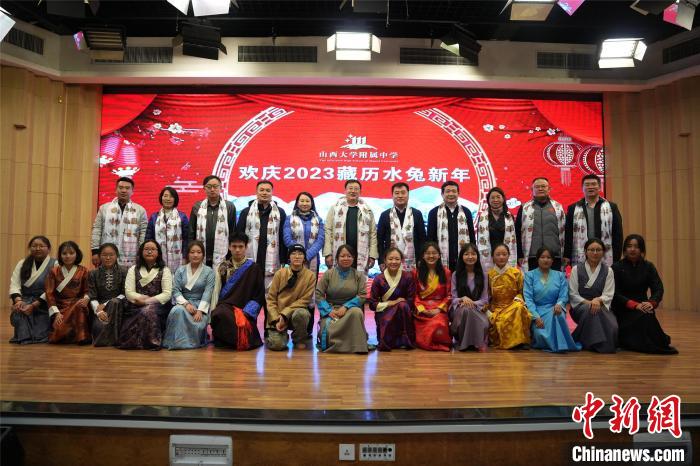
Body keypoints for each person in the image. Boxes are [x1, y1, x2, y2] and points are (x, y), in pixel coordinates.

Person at [612, 234, 677, 354]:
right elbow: (614, 293)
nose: (632, 249)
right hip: (623, 308)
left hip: (643, 305)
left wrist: (651, 303)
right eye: (629, 246)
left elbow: (658, 288)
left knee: (647, 313)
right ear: (624, 249)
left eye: (636, 247)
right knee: (644, 316)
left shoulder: (648, 266)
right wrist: (634, 305)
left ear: (641, 250)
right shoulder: (616, 267)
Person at [210, 232, 266, 351]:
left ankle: (232, 341)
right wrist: (212, 312)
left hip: (244, 310)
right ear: (229, 247)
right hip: (226, 308)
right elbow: (216, 292)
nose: (237, 250)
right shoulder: (222, 267)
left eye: (241, 247)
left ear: (246, 247)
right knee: (220, 313)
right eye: (234, 246)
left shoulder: (254, 268)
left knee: (239, 322)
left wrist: (247, 312)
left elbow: (259, 295)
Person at [524, 247, 580, 353]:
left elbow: (564, 295)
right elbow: (528, 299)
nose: (546, 260)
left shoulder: (560, 275)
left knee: (558, 314)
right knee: (540, 334)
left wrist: (559, 304)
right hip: (537, 311)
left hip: (554, 308)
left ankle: (562, 345)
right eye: (542, 257)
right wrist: (535, 317)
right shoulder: (529, 275)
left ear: (553, 260)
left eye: (549, 257)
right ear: (537, 259)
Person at [118, 240, 173, 350]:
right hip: (135, 304)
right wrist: (140, 299)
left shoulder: (164, 270)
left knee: (148, 310)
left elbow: (167, 294)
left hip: (158, 305)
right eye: (146, 249)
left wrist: (147, 301)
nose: (149, 251)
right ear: (141, 252)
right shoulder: (133, 269)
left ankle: (152, 342)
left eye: (153, 249)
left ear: (158, 253)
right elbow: (129, 292)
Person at [316, 244, 369, 353]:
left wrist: (346, 307)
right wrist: (329, 311)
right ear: (337, 258)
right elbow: (318, 294)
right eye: (342, 256)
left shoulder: (359, 276)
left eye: (349, 256)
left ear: (353, 258)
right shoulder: (328, 274)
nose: (346, 258)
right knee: (328, 329)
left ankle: (357, 347)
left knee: (357, 312)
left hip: (350, 310)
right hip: (332, 311)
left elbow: (362, 295)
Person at [163, 240, 215, 350]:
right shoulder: (180, 270)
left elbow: (208, 292)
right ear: (188, 254)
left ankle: (189, 342)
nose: (195, 255)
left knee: (197, 321)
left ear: (203, 255)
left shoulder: (209, 272)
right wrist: (186, 304)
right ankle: (175, 342)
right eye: (192, 252)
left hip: (200, 305)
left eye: (199, 252)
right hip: (184, 304)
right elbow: (175, 290)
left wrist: (200, 310)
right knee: (177, 310)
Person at [568, 238, 618, 353]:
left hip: (601, 305)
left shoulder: (608, 271)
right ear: (586, 251)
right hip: (580, 306)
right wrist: (590, 302)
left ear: (603, 252)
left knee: (613, 326)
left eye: (598, 250)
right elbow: (573, 294)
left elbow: (608, 294)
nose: (595, 253)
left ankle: (586, 341)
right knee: (591, 310)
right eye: (591, 250)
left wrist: (598, 300)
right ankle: (601, 346)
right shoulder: (576, 269)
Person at [236, 180, 287, 289]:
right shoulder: (246, 212)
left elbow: (282, 237)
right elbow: (239, 236)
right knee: (250, 288)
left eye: (268, 190)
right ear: (256, 192)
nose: (264, 193)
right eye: (262, 190)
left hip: (272, 256)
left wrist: (283, 259)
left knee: (270, 290)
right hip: (251, 255)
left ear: (272, 192)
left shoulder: (280, 213)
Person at [265, 244, 316, 351]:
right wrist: (276, 318)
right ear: (289, 257)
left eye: (300, 254)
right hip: (278, 316)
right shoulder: (279, 273)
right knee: (277, 345)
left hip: (296, 313)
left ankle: (298, 339)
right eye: (293, 253)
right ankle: (281, 335)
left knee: (302, 314)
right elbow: (271, 299)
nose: (297, 256)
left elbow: (305, 300)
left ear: (304, 257)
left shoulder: (310, 276)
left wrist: (285, 314)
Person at [565, 174, 623, 267]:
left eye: (593, 184)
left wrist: (616, 256)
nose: (590, 187)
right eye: (587, 185)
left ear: (599, 187)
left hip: (605, 253)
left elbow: (618, 233)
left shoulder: (611, 207)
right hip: (581, 253)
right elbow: (568, 234)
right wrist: (567, 255)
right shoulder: (573, 208)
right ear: (582, 188)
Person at [91, 176, 148, 268]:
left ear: (132, 191)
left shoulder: (140, 210)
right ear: (116, 190)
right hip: (106, 255)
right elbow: (97, 230)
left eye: (127, 188)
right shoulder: (104, 208)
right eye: (121, 187)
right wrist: (95, 251)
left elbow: (143, 234)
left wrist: (141, 253)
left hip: (131, 257)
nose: (124, 190)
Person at [9, 236, 56, 344]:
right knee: (19, 312)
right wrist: (18, 301)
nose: (37, 248)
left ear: (48, 248)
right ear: (30, 248)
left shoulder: (55, 264)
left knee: (40, 334)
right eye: (34, 246)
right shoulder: (22, 263)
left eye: (41, 246)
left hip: (44, 303)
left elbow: (52, 289)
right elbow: (15, 284)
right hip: (24, 301)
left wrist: (34, 305)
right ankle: (23, 336)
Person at [368, 247, 416, 351]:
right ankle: (386, 341)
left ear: (402, 261)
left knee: (403, 305)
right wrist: (391, 303)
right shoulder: (378, 279)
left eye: (397, 259)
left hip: (403, 312)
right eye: (390, 259)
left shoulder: (408, 277)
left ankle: (405, 340)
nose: (393, 262)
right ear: (385, 260)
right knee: (398, 308)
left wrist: (398, 305)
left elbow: (411, 301)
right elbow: (372, 304)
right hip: (384, 312)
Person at [323, 180, 378, 272]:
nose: (353, 191)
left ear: (360, 192)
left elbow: (373, 233)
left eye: (356, 189)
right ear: (345, 191)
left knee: (358, 279)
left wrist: (372, 255)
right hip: (339, 253)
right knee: (339, 278)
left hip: (361, 254)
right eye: (350, 188)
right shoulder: (335, 208)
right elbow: (328, 231)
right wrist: (327, 253)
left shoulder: (367, 210)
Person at [515, 177, 566, 272]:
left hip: (554, 256)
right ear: (532, 190)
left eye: (543, 186)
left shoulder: (558, 208)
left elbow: (566, 231)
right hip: (531, 256)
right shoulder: (524, 208)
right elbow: (517, 232)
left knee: (554, 281)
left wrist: (566, 254)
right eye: (537, 187)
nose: (540, 189)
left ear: (549, 189)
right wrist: (519, 254)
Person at [487, 244, 532, 350]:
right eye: (498, 254)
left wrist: (518, 299)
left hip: (513, 305)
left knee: (519, 308)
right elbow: (487, 295)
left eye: (504, 254)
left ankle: (521, 341)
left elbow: (521, 292)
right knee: (498, 319)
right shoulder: (489, 274)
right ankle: (512, 342)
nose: (501, 257)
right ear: (493, 257)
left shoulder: (516, 273)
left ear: (508, 255)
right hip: (497, 308)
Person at [46, 241, 91, 344]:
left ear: (77, 254)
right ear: (60, 255)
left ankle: (82, 337)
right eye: (64, 253)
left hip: (77, 304)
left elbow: (87, 290)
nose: (68, 256)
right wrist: (56, 313)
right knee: (57, 333)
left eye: (71, 253)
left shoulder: (84, 271)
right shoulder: (53, 272)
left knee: (79, 305)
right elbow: (49, 293)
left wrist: (86, 299)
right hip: (59, 306)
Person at [188, 175, 237, 269]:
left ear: (220, 188)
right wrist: (191, 251)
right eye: (209, 187)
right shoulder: (197, 206)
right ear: (204, 188)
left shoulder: (229, 206)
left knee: (220, 277)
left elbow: (232, 231)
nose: (212, 189)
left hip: (223, 253)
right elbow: (191, 232)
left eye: (215, 186)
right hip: (200, 252)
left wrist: (231, 253)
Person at [427, 180, 476, 272]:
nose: (451, 194)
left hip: (463, 257)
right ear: (442, 194)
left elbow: (472, 237)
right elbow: (430, 238)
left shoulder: (466, 212)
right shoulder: (434, 212)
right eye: (448, 191)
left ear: (458, 194)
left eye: (454, 191)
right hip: (440, 258)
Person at [413, 242, 452, 352]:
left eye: (434, 253)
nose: (431, 256)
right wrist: (422, 309)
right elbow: (414, 294)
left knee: (439, 323)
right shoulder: (416, 273)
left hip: (439, 308)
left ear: (439, 255)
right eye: (428, 253)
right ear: (423, 255)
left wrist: (438, 309)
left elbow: (449, 295)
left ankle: (439, 344)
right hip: (422, 309)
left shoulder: (446, 272)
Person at [377, 182, 426, 271]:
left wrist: (421, 259)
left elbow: (422, 239)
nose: (400, 196)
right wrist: (381, 261)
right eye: (397, 193)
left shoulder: (416, 214)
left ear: (408, 195)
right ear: (392, 195)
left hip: (414, 262)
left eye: (403, 193)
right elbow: (379, 240)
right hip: (390, 261)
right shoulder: (385, 215)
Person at [450, 243, 489, 352]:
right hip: (460, 309)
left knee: (468, 309)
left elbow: (485, 299)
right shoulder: (455, 275)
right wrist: (462, 299)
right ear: (461, 257)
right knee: (466, 310)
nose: (470, 257)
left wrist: (472, 303)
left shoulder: (484, 275)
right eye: (466, 254)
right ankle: (471, 343)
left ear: (477, 256)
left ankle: (467, 343)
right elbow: (453, 298)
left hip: (478, 309)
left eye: (473, 254)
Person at [88, 243, 128, 347]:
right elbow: (92, 296)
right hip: (100, 307)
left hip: (120, 306)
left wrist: (107, 304)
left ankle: (114, 340)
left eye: (111, 255)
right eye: (104, 255)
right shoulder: (93, 273)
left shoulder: (124, 271)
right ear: (99, 256)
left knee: (115, 302)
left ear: (117, 255)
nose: (108, 258)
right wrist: (99, 311)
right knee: (98, 327)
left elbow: (125, 294)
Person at [146, 186, 189, 273]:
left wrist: (185, 257)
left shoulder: (182, 217)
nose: (168, 199)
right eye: (165, 196)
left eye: (171, 196)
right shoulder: (154, 217)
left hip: (178, 258)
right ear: (161, 198)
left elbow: (187, 239)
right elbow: (148, 238)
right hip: (157, 257)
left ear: (175, 199)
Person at [476, 187, 517, 271]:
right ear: (488, 200)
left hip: (504, 255)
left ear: (503, 199)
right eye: (492, 197)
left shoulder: (509, 217)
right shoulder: (482, 217)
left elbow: (514, 238)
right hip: (488, 254)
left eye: (498, 197)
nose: (495, 200)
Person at [283, 192, 325, 274]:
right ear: (297, 203)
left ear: (311, 203)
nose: (304, 203)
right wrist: (299, 253)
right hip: (294, 257)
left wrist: (307, 255)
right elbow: (287, 239)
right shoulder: (289, 219)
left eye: (307, 201)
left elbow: (320, 240)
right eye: (302, 201)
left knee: (311, 281)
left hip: (313, 257)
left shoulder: (318, 220)